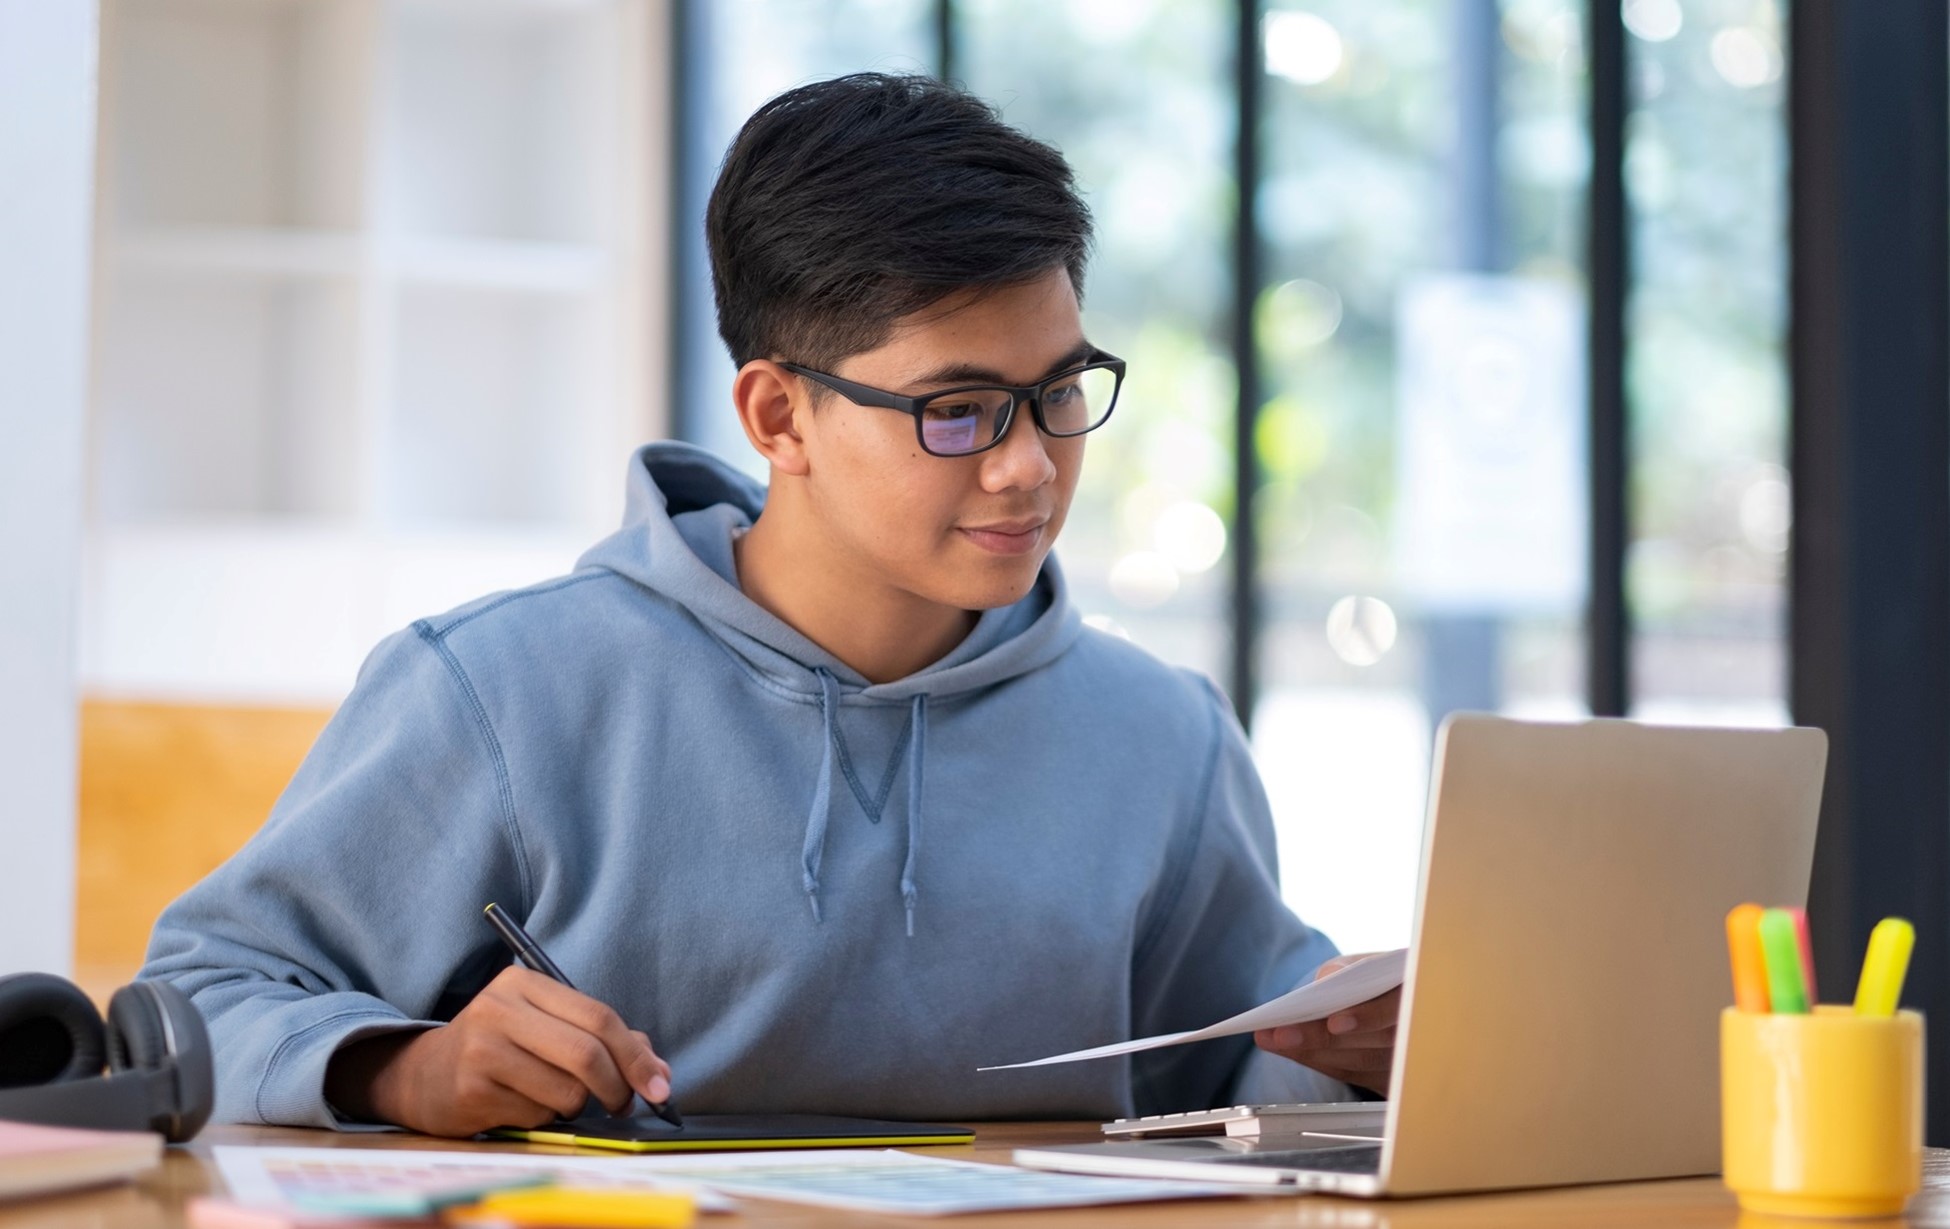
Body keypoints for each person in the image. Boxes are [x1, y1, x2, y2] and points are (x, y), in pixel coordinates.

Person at [140, 72, 1398, 1138]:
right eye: (958, 410)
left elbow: (1230, 1092)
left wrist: (1366, 1054)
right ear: (778, 415)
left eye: (1062, 390)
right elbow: (202, 990)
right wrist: (399, 1066)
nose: (1029, 463)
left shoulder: (1161, 737)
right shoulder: (500, 691)